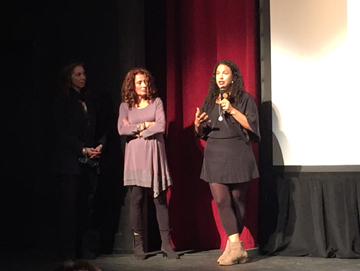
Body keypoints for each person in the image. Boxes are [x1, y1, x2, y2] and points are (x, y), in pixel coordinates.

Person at [194, 60, 260, 266]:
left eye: (225, 73)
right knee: (222, 200)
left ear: (234, 77)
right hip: (215, 153)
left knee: (237, 199)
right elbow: (203, 131)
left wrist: (231, 109)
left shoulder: (245, 98)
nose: (221, 76)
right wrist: (197, 126)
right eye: (217, 73)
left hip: (238, 152)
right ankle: (236, 246)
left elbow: (252, 125)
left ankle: (233, 247)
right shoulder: (210, 99)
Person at [117, 68, 179, 260]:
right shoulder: (125, 106)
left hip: (154, 156)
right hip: (135, 157)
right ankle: (138, 244)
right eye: (139, 83)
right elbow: (121, 129)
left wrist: (136, 130)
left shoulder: (156, 102)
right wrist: (145, 125)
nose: (143, 85)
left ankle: (166, 244)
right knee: (137, 199)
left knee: (159, 200)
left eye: (145, 82)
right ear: (132, 86)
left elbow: (161, 125)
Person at [54, 61, 105, 260]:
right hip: (70, 162)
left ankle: (85, 248)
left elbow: (97, 128)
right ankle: (68, 251)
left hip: (88, 161)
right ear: (69, 78)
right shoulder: (63, 101)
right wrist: (81, 148)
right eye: (78, 74)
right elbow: (61, 132)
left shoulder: (89, 100)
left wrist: (98, 146)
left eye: (83, 73)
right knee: (69, 207)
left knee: (87, 205)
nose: (82, 77)